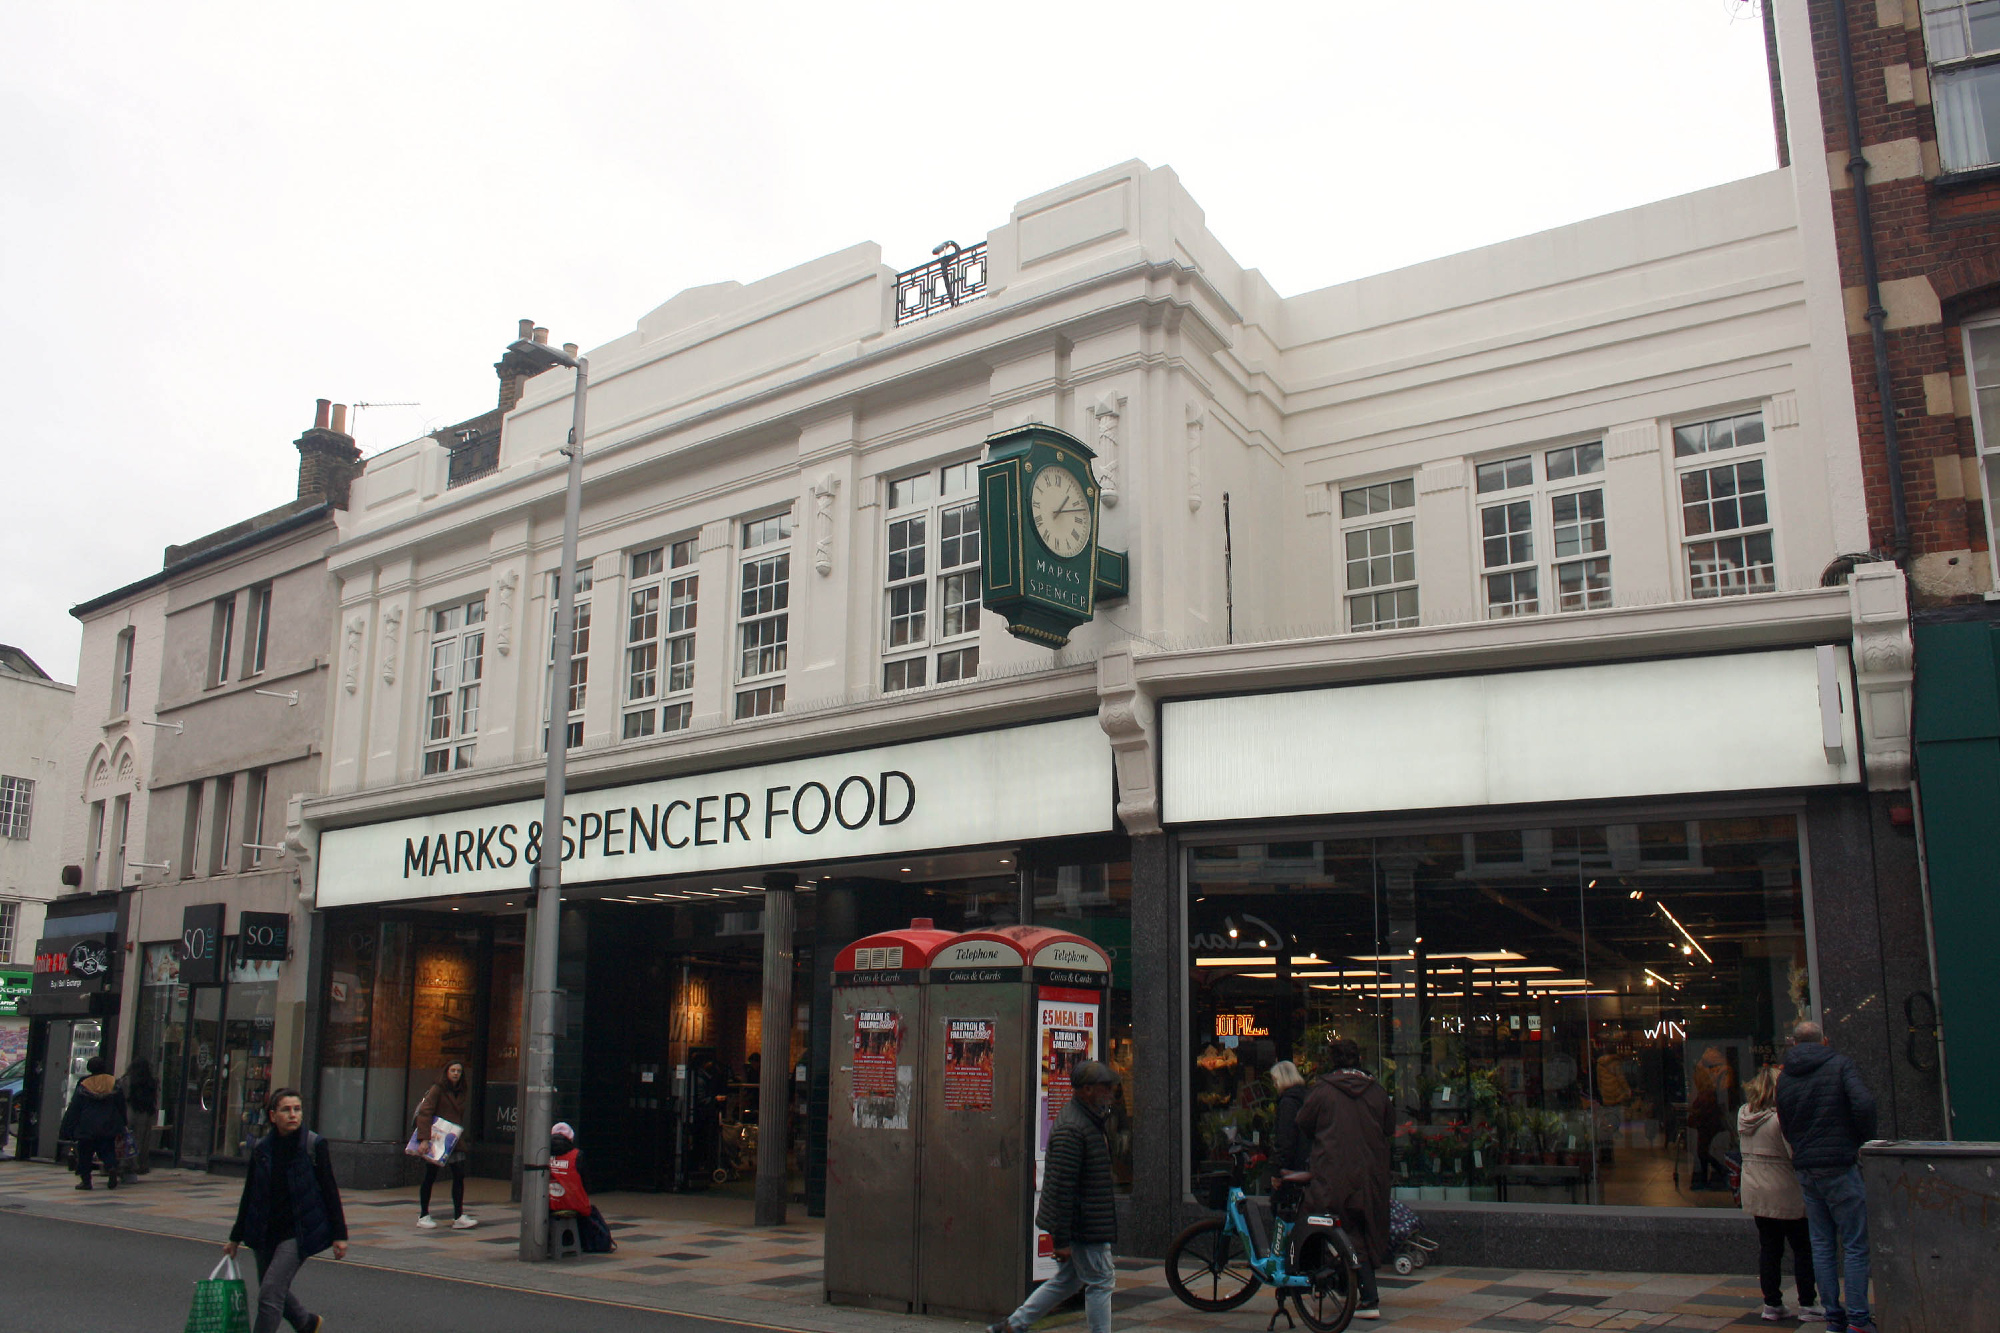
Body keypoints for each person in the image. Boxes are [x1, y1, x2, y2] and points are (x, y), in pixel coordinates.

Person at [986, 1060, 1120, 1333]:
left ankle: (1013, 1326)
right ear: (1086, 1090)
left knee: (1069, 1280)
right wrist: (1061, 1240)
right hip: (1084, 1224)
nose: (1111, 1091)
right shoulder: (1074, 1128)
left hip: (1086, 1220)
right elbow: (1061, 1187)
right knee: (1101, 1281)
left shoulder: (1088, 1119)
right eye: (1105, 1086)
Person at [1775, 1021, 1878, 1333]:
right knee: (1855, 1243)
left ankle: (1833, 1316)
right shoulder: (1840, 1065)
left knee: (1821, 1243)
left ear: (1794, 1043)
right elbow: (1864, 1104)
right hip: (1839, 1163)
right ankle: (1858, 1318)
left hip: (1807, 1166)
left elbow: (1784, 1121)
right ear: (1824, 1040)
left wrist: (1801, 1146)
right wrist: (1858, 1139)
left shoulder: (1785, 1076)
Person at [225, 1088, 348, 1333]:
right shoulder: (262, 1149)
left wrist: (340, 1235)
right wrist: (235, 1237)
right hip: (265, 1231)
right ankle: (306, 1323)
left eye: (297, 1109)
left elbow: (329, 1189)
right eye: (286, 1110)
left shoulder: (313, 1145)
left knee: (269, 1294)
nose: (293, 1114)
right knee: (271, 1288)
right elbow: (250, 1193)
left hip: (297, 1232)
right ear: (273, 1116)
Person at [1295, 1038, 1394, 1322]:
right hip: (1372, 1174)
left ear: (1333, 1060)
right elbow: (1389, 1126)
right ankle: (1353, 1288)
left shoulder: (1323, 1090)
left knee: (1327, 1223)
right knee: (1364, 1229)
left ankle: (1363, 1295)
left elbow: (1303, 1122)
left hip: (1333, 1172)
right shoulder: (1376, 1091)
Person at [1738, 1066, 1821, 1322]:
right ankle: (1807, 1303)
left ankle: (1772, 1303)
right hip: (1785, 1190)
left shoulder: (1744, 1115)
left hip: (1756, 1190)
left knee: (1769, 1248)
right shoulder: (1780, 1119)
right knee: (1802, 1247)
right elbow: (1795, 1152)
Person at [412, 1061, 476, 1230]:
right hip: (437, 1138)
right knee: (430, 1176)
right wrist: (424, 1139)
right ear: (446, 1072)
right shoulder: (437, 1089)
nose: (456, 1073)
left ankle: (458, 1216)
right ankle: (423, 1215)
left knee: (459, 1175)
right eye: (452, 1070)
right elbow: (425, 1113)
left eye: (459, 1071)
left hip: (453, 1138)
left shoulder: (461, 1091)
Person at [59, 1055, 126, 1191]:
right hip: (108, 1123)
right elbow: (121, 1104)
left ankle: (86, 1181)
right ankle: (111, 1167)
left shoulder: (84, 1084)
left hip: (87, 1124)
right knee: (107, 1149)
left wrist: (68, 1126)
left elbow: (75, 1107)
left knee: (85, 1153)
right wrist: (123, 1122)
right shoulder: (113, 1082)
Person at [547, 1121, 616, 1253]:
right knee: (588, 1212)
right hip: (574, 1204)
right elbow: (586, 1184)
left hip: (549, 1204)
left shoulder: (544, 1154)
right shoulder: (577, 1155)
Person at [120, 1057, 159, 1175]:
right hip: (145, 1113)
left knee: (127, 1138)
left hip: (129, 1111)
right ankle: (140, 1164)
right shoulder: (151, 1081)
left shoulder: (127, 1080)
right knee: (143, 1139)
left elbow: (121, 1095)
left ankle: (127, 1163)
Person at [1270, 1060, 1310, 1172]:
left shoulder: (1287, 1103)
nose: (1274, 1085)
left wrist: (1279, 1167)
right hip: (1307, 1161)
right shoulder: (1307, 1097)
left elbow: (1286, 1137)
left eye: (1275, 1081)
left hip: (1292, 1166)